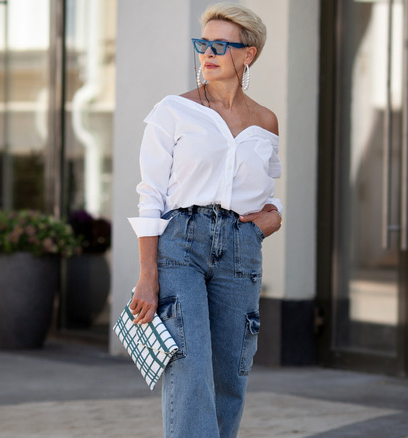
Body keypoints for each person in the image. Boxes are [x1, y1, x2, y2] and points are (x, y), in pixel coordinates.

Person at [127, 3, 282, 437]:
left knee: (230, 376)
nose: (207, 53)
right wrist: (147, 274)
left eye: (220, 45)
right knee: (190, 371)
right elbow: (151, 195)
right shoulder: (173, 111)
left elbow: (266, 191)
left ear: (247, 54)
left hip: (240, 248)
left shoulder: (266, 121)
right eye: (203, 44)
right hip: (181, 244)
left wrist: (273, 218)